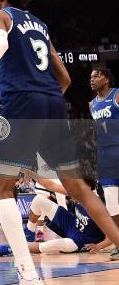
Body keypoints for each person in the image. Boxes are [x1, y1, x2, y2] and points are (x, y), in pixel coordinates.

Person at [0, 0, 119, 284]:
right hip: (52, 102)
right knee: (78, 187)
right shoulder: (40, 25)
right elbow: (64, 77)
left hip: (24, 104)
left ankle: (26, 273)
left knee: (1, 188)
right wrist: (45, 101)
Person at [0, 180, 105, 256]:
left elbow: (114, 231)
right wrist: (32, 174)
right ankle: (30, 232)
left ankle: (11, 249)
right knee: (38, 200)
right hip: (72, 224)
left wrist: (99, 246)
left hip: (83, 239)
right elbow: (51, 186)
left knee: (54, 244)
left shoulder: (99, 205)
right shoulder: (77, 192)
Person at [87, 68, 119, 258]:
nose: (92, 80)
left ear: (106, 79)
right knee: (113, 205)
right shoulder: (91, 105)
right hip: (105, 157)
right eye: (90, 77)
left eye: (96, 76)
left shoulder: (117, 95)